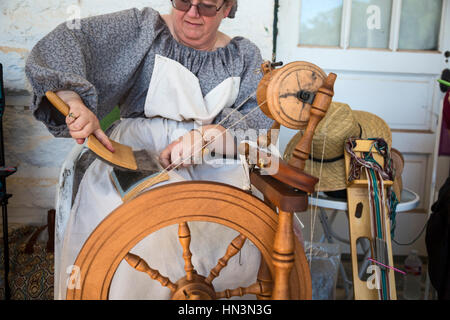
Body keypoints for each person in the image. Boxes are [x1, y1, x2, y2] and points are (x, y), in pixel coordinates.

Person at [25, 0, 273, 299]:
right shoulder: (143, 29)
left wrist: (208, 136)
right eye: (183, 2)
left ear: (227, 7)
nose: (192, 13)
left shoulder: (245, 55)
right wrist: (74, 102)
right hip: (138, 153)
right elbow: (61, 45)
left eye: (206, 6)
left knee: (229, 228)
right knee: (140, 227)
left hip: (214, 162)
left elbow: (255, 130)